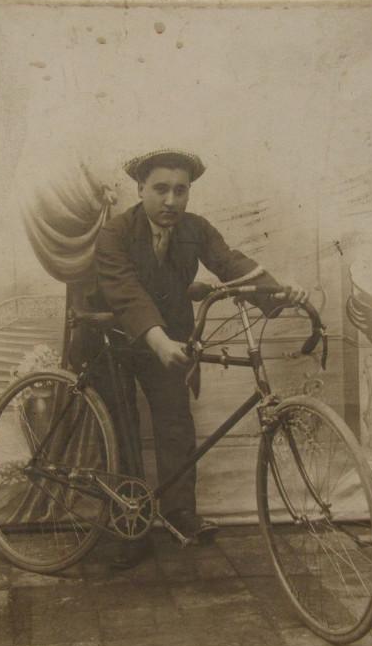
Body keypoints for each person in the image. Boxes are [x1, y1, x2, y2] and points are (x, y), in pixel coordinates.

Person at [81, 148, 306, 567]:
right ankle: (128, 525)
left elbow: (230, 262)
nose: (171, 201)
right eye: (161, 189)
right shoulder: (114, 233)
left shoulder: (195, 229)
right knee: (122, 428)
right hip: (108, 335)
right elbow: (126, 291)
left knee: (175, 420)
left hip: (166, 337)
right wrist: (158, 340)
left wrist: (278, 293)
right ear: (140, 189)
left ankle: (179, 513)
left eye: (180, 191)